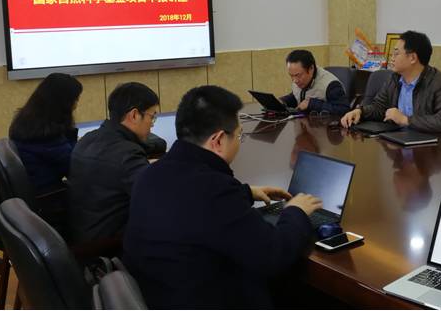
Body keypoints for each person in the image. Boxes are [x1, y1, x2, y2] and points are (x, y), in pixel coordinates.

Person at [123, 85, 322, 309]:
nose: (239, 142)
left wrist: (245, 192)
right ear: (218, 140)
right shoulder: (214, 190)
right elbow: (273, 255)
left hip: (158, 295)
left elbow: (190, 209)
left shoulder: (150, 174)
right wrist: (296, 211)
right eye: (239, 135)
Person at [68, 82, 164, 246]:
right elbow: (155, 198)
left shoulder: (88, 138)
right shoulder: (128, 153)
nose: (152, 123)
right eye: (152, 116)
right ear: (134, 115)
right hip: (106, 243)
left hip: (81, 232)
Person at [340, 30, 441, 133]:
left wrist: (406, 120)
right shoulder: (394, 79)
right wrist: (360, 112)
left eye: (396, 53)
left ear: (412, 58)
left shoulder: (440, 84)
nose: (391, 58)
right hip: (397, 141)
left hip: (428, 147)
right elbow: (379, 107)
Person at [9, 73, 83, 196]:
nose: (75, 106)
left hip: (35, 191)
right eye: (75, 100)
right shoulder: (48, 136)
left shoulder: (26, 120)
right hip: (48, 197)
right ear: (63, 103)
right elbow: (75, 169)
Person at [279, 50, 350, 114]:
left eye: (298, 75)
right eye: (291, 75)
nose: (295, 80)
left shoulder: (331, 84)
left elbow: (344, 109)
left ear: (311, 69)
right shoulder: (298, 79)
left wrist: (312, 104)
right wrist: (282, 102)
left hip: (323, 124)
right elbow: (297, 96)